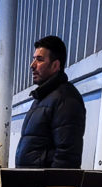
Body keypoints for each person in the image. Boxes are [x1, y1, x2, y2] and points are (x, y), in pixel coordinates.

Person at [15, 35, 86, 169]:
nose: (32, 65)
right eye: (33, 59)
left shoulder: (66, 99)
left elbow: (67, 157)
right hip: (30, 185)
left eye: (39, 60)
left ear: (55, 65)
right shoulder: (42, 98)